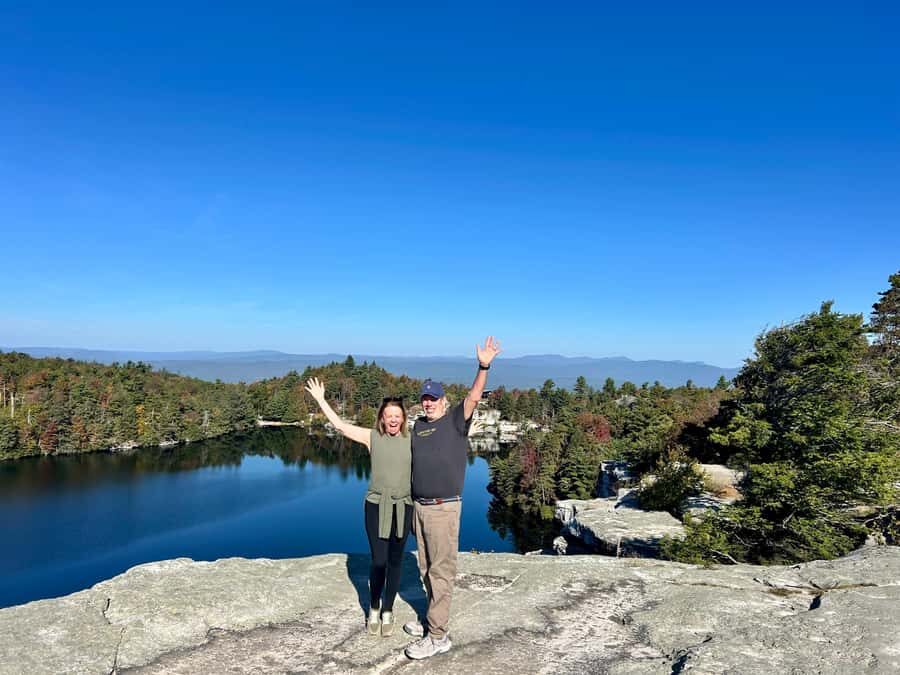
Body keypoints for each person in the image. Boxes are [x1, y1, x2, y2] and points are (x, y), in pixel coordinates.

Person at [404, 336, 501, 660]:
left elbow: (474, 396)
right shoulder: (418, 427)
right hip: (419, 509)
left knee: (440, 573)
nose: (429, 403)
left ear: (444, 400)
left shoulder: (456, 421)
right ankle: (433, 621)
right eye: (425, 399)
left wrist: (483, 365)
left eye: (434, 398)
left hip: (443, 510)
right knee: (424, 569)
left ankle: (438, 636)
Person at [305, 377, 413, 637]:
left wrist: (465, 433)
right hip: (376, 505)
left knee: (396, 562)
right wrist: (321, 400)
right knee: (379, 560)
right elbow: (341, 427)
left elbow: (439, 441)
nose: (393, 420)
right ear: (382, 418)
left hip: (403, 506)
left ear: (403, 418)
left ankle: (388, 610)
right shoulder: (371, 437)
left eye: (397, 415)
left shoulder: (412, 439)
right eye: (389, 415)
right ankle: (374, 607)